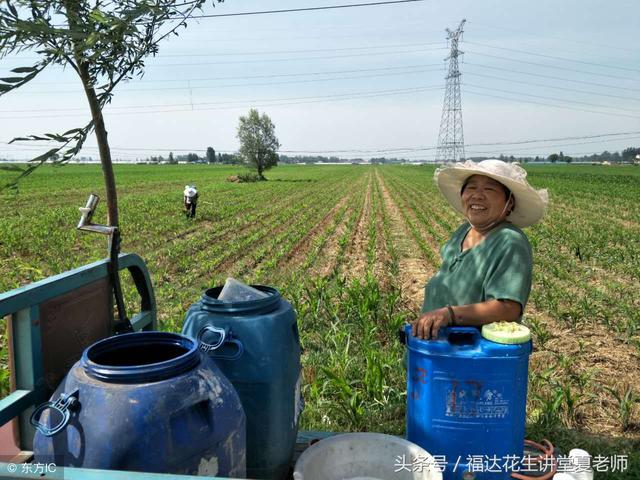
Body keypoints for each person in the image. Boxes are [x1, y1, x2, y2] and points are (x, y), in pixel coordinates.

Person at [412, 159, 548, 340]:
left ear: (509, 203)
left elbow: (508, 308)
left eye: (489, 189)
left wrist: (449, 315)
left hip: (472, 355)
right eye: (471, 188)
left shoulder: (509, 241)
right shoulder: (464, 231)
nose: (477, 195)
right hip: (439, 349)